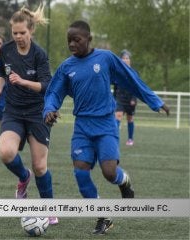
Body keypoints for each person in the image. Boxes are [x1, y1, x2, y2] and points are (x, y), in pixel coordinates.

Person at [43, 20, 169, 234]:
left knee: (109, 172)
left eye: (77, 40)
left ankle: (124, 181)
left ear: (89, 39)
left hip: (105, 124)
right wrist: (49, 110)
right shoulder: (66, 67)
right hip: (82, 126)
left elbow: (131, 79)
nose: (72, 44)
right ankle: (103, 216)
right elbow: (54, 92)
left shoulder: (106, 58)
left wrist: (154, 100)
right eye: (69, 41)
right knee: (81, 174)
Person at [0, 4, 58, 225]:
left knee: (40, 165)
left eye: (22, 33)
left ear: (31, 31)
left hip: (37, 112)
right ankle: (23, 177)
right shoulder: (7, 50)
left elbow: (47, 86)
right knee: (5, 152)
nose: (18, 36)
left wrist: (22, 81)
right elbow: (2, 73)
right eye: (15, 33)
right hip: (13, 110)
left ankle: (48, 208)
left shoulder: (39, 54)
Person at [113, 50, 137, 146]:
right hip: (120, 98)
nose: (125, 60)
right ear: (120, 60)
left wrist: (134, 99)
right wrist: (113, 99)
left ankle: (130, 139)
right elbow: (115, 87)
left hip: (130, 98)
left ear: (130, 60)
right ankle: (114, 138)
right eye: (123, 58)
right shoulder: (117, 72)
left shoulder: (134, 73)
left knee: (129, 118)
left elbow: (137, 87)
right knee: (118, 115)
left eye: (127, 58)